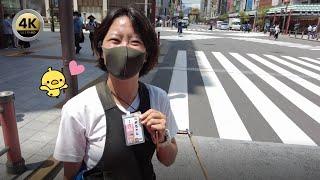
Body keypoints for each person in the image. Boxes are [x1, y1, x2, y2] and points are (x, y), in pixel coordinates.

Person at [54, 6, 179, 180]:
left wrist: (163, 138)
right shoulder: (77, 108)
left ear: (146, 54)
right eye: (115, 40)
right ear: (100, 50)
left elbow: (168, 160)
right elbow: (70, 175)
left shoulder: (158, 98)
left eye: (135, 42)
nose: (125, 48)